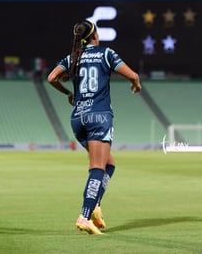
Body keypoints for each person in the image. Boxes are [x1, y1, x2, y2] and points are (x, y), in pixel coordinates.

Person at [48, 20, 142, 234]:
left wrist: (68, 94)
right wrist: (135, 85)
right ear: (95, 36)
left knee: (109, 164)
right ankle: (84, 215)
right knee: (98, 168)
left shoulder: (74, 57)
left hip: (78, 118)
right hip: (99, 116)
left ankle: (96, 205)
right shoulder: (106, 53)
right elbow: (133, 75)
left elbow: (52, 77)